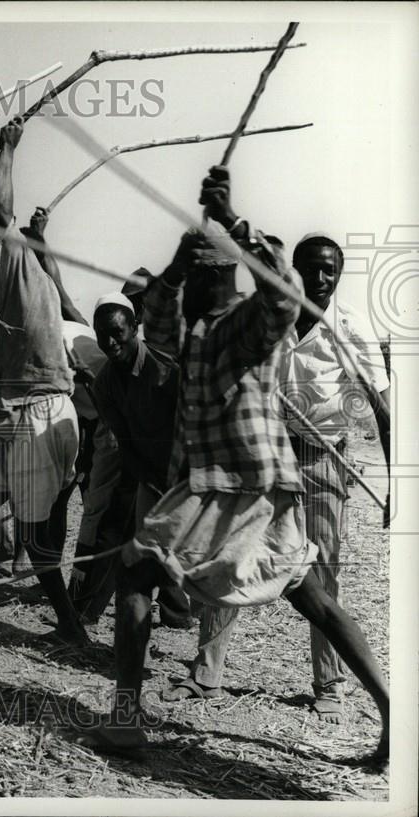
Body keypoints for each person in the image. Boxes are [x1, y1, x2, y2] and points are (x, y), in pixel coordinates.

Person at [98, 165, 388, 765]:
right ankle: (395, 711)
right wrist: (180, 260)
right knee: (312, 599)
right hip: (229, 488)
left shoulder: (251, 324)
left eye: (203, 279)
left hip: (241, 489)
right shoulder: (195, 332)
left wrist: (231, 222)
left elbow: (284, 287)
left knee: (135, 574)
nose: (194, 292)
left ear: (222, 283)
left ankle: (126, 721)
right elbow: (157, 312)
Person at [163, 232, 392, 723]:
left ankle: (328, 684)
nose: (321, 278)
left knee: (323, 569)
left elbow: (384, 410)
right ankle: (206, 671)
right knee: (232, 553)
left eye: (330, 269)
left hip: (321, 453)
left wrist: (400, 486)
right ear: (294, 270)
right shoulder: (267, 315)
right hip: (263, 451)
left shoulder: (350, 327)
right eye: (311, 267)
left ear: (339, 273)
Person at [0, 117, 87, 645]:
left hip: (40, 412)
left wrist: (8, 150)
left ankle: (71, 625)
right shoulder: (43, 286)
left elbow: (2, 212)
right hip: (18, 409)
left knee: (31, 532)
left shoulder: (26, 270)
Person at [85, 292, 193, 628]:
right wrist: (147, 481)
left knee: (184, 550)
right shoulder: (104, 384)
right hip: (146, 470)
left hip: (187, 470)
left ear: (134, 328)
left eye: (117, 333)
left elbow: (191, 425)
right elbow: (124, 441)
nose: (110, 343)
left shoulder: (165, 367)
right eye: (103, 335)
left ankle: (180, 611)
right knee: (129, 537)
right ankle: (92, 614)